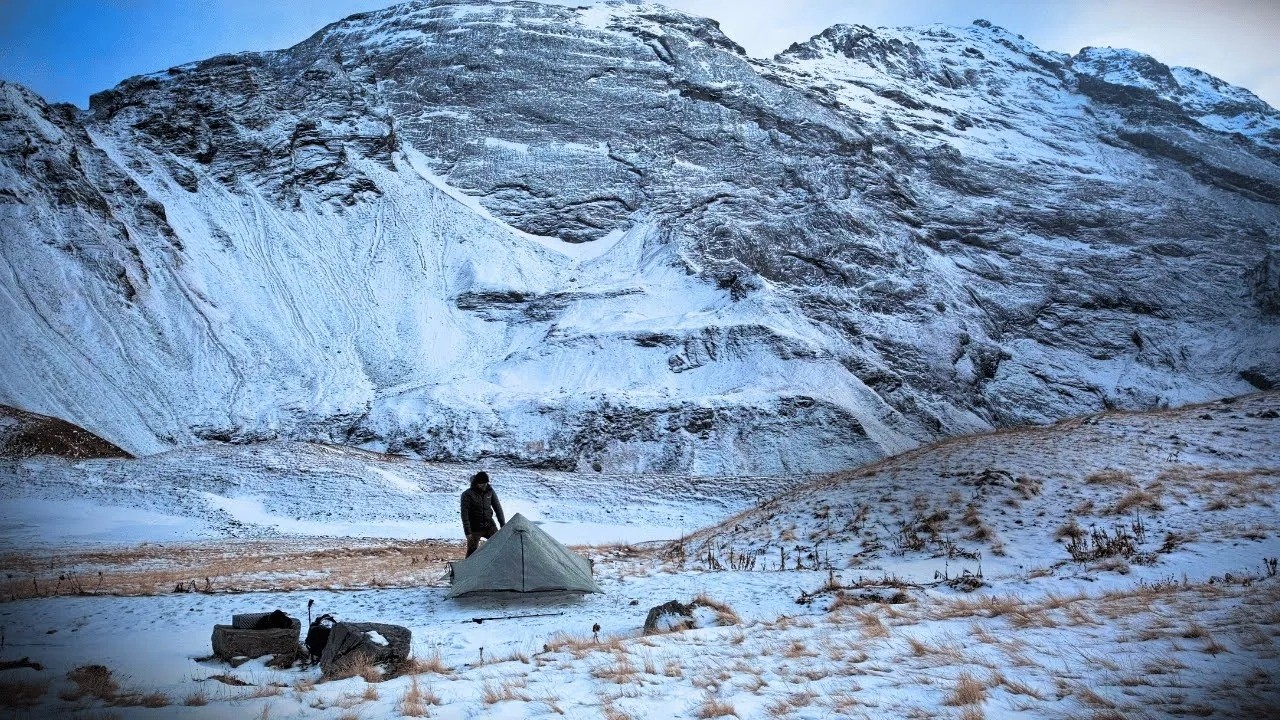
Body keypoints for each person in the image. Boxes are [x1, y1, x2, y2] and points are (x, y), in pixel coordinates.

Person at [461, 471, 505, 557]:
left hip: (489, 525)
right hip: (474, 528)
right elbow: (464, 515)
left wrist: (503, 525)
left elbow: (498, 508)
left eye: (485, 483)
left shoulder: (490, 491)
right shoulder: (467, 495)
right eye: (481, 484)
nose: (484, 486)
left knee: (499, 546)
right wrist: (468, 533)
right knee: (471, 552)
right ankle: (468, 569)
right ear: (476, 483)